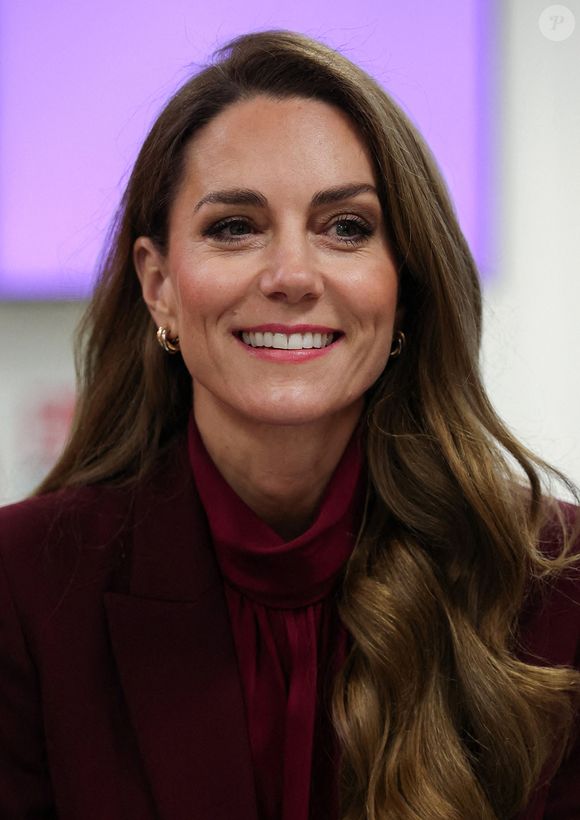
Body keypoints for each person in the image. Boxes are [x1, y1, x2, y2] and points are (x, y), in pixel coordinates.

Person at [0, 30, 579, 820]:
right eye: (235, 227)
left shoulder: (557, 588)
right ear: (160, 284)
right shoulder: (22, 587)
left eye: (346, 227)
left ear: (402, 288)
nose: (292, 277)